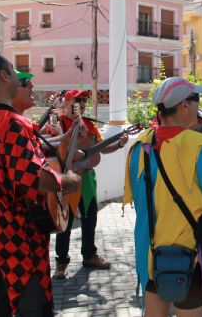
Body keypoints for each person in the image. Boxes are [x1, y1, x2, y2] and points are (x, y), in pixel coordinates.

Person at [0, 51, 82, 316]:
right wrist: (67, 181)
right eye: (16, 74)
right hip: (16, 237)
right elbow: (33, 177)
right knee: (30, 302)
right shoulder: (12, 123)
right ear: (3, 76)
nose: (21, 80)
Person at [124, 77, 202, 316]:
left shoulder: (139, 145)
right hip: (187, 254)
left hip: (149, 250)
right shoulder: (199, 146)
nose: (201, 104)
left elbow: (139, 196)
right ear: (184, 105)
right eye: (196, 100)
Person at [53, 89, 128, 279]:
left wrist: (119, 144)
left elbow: (101, 149)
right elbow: (51, 148)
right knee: (65, 223)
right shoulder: (57, 122)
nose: (81, 105)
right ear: (67, 102)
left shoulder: (89, 125)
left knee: (90, 220)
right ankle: (61, 262)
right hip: (65, 180)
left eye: (84, 102)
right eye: (76, 101)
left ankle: (89, 255)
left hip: (86, 181)